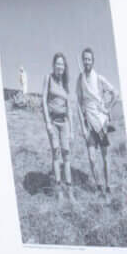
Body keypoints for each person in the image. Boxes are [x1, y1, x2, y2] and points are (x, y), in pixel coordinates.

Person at [78, 45, 119, 195]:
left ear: (93, 61)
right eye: (85, 59)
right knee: (91, 158)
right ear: (83, 61)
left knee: (105, 157)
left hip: (101, 123)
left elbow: (115, 93)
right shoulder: (80, 79)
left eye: (89, 59)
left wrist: (107, 108)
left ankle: (108, 187)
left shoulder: (99, 78)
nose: (87, 62)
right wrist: (82, 125)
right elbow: (78, 102)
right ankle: (98, 186)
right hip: (89, 124)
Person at [44, 52, 74, 200]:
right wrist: (48, 123)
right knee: (56, 153)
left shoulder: (66, 84)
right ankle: (59, 192)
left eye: (62, 64)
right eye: (57, 63)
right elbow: (43, 101)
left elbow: (70, 109)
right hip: (53, 122)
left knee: (66, 155)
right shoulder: (48, 78)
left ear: (64, 66)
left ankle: (70, 190)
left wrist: (72, 131)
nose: (59, 66)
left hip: (65, 123)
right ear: (54, 65)